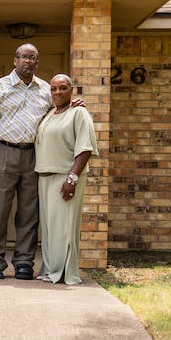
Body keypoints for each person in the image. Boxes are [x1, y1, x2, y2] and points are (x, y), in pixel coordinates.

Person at [0, 43, 51, 280]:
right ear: (15, 60)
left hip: (34, 155)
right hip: (4, 153)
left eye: (32, 58)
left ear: (37, 62)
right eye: (23, 57)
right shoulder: (0, 87)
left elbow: (58, 113)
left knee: (29, 212)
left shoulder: (46, 89)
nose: (27, 61)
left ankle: (24, 263)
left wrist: (74, 105)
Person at [34, 74, 98, 285]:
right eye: (53, 89)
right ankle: (51, 269)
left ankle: (63, 272)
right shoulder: (51, 113)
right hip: (45, 176)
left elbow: (85, 148)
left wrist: (72, 178)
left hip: (65, 176)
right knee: (51, 229)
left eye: (62, 88)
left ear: (72, 90)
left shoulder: (79, 113)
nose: (57, 92)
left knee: (64, 228)